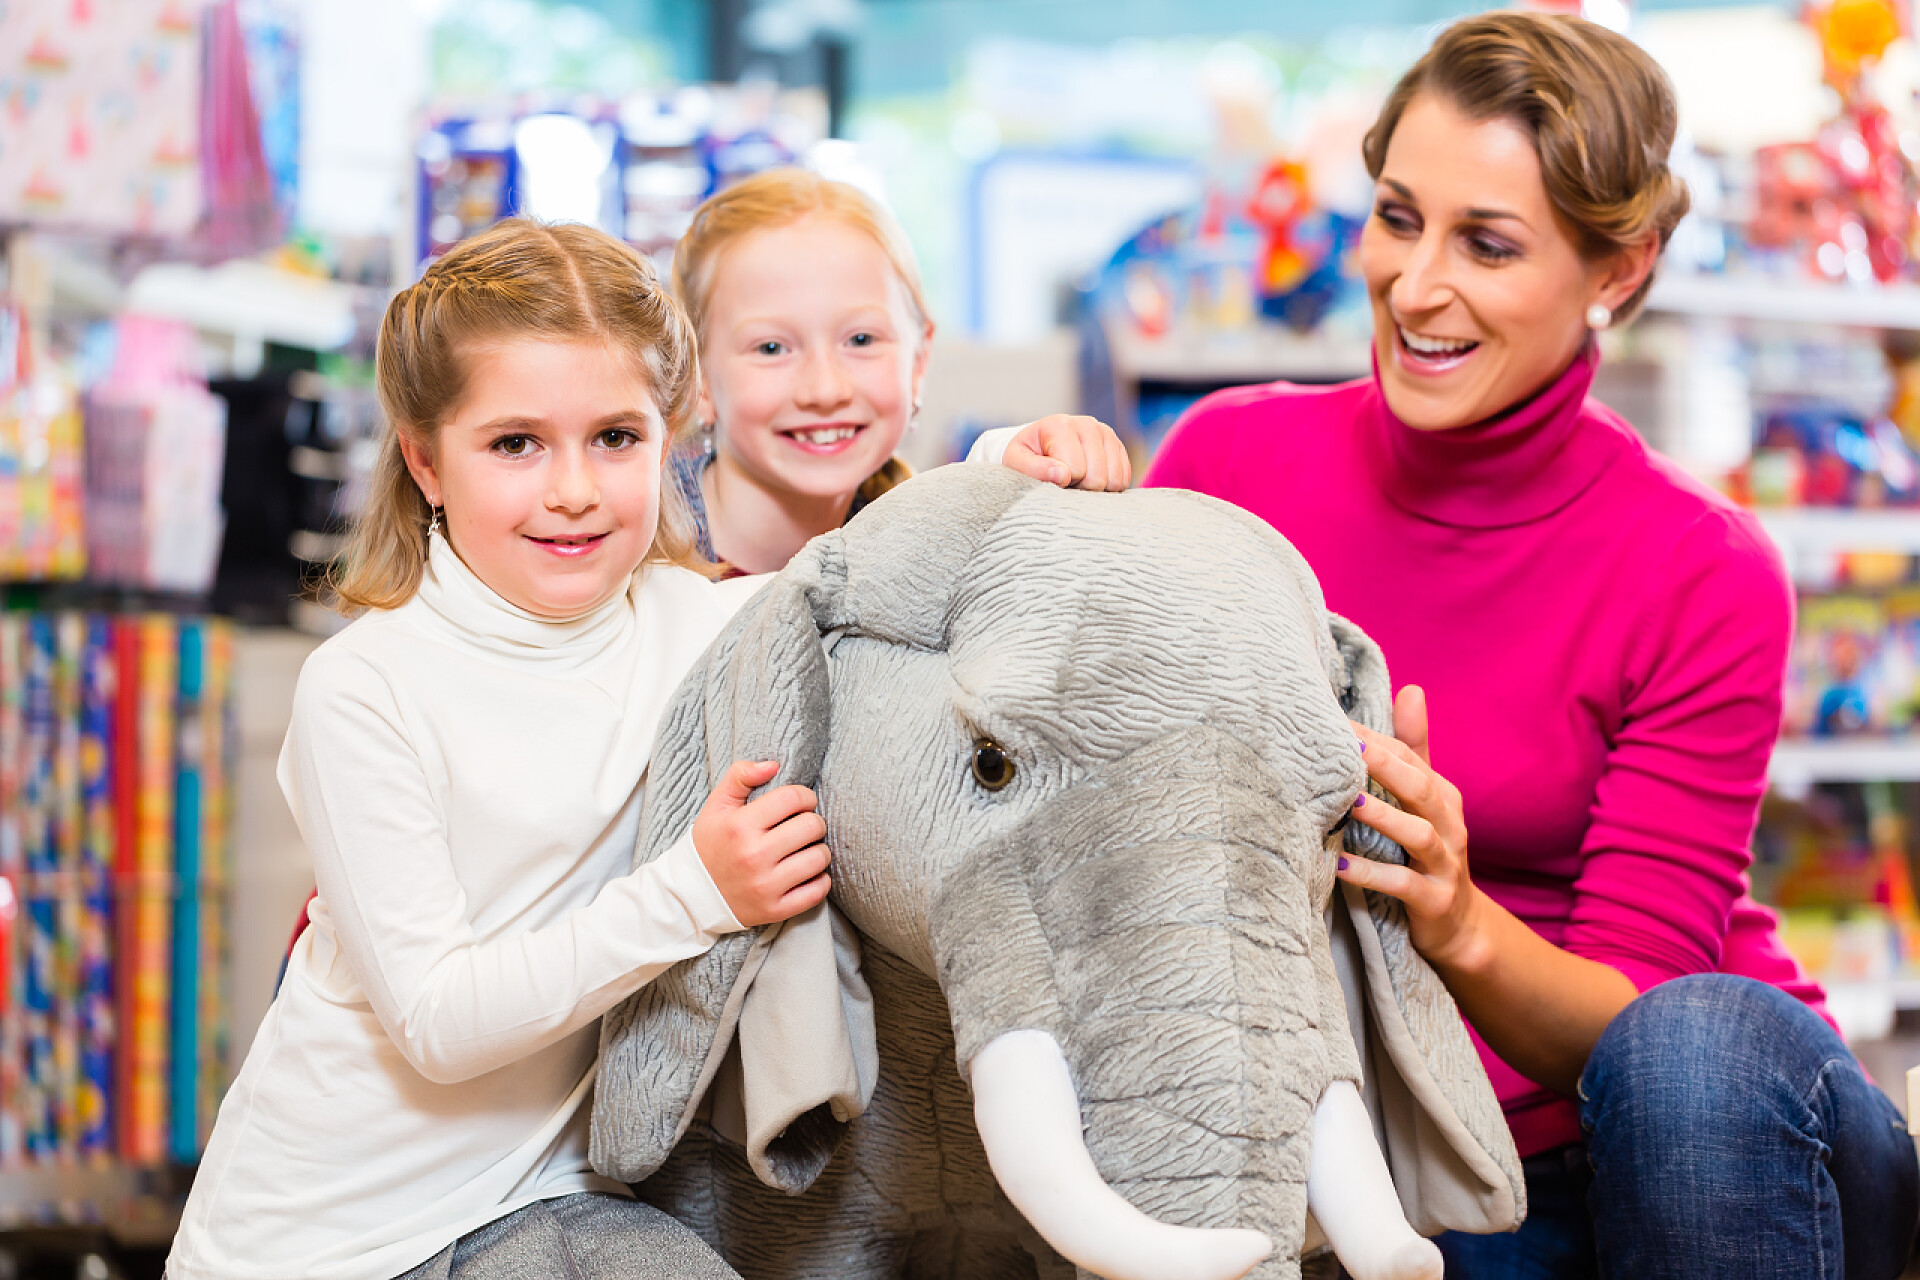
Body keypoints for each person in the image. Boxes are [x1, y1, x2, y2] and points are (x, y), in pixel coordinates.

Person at [171, 218, 1124, 1280]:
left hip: (547, 1197)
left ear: (670, 436)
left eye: (616, 438)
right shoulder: (366, 684)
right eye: (515, 443)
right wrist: (696, 889)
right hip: (328, 1240)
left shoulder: (691, 623)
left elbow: (875, 579)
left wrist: (1008, 465)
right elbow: (438, 1017)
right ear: (424, 459)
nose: (575, 487)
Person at [1145, 13, 1920, 1279]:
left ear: (1618, 270)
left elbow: (1635, 1015)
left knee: (1691, 1045)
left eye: (1488, 244)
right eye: (1399, 219)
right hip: (1362, 1138)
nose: (1416, 283)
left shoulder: (1702, 567)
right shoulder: (1227, 462)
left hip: (1676, 1134)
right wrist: (1032, 485)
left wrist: (1456, 919)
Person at [668, 167, 1130, 575]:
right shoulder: (634, 564)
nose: (825, 389)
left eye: (861, 341)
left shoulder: (914, 548)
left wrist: (1013, 477)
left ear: (918, 362)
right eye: (771, 348)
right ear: (699, 380)